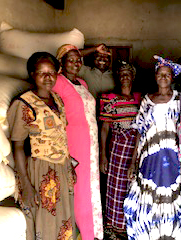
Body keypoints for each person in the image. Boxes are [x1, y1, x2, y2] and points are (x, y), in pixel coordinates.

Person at [124, 55, 181, 240]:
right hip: (149, 161)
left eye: (167, 75)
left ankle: (171, 234)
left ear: (173, 78)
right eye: (160, 74)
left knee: (173, 198)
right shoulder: (146, 101)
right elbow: (140, 133)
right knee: (148, 196)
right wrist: (133, 162)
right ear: (155, 76)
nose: (163, 78)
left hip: (174, 162)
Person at [7, 52, 76, 240]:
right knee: (45, 226)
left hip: (62, 169)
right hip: (40, 171)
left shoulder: (57, 100)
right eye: (41, 72)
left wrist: (69, 165)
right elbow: (18, 147)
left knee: (64, 223)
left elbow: (61, 136)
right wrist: (27, 185)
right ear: (32, 74)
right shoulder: (24, 104)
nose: (48, 77)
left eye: (51, 72)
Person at [53, 44, 104, 240]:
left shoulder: (82, 83)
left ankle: (93, 233)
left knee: (91, 187)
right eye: (71, 60)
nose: (76, 63)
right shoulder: (57, 81)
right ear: (61, 63)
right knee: (81, 189)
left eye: (78, 60)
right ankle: (85, 234)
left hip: (91, 144)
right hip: (74, 144)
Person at [99, 62, 141, 240]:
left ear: (133, 77)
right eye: (121, 74)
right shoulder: (109, 99)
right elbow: (104, 129)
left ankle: (130, 224)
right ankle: (115, 226)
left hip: (136, 150)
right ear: (117, 77)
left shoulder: (140, 98)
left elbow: (141, 128)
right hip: (116, 150)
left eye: (128, 73)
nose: (124, 76)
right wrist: (103, 155)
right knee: (115, 188)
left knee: (133, 187)